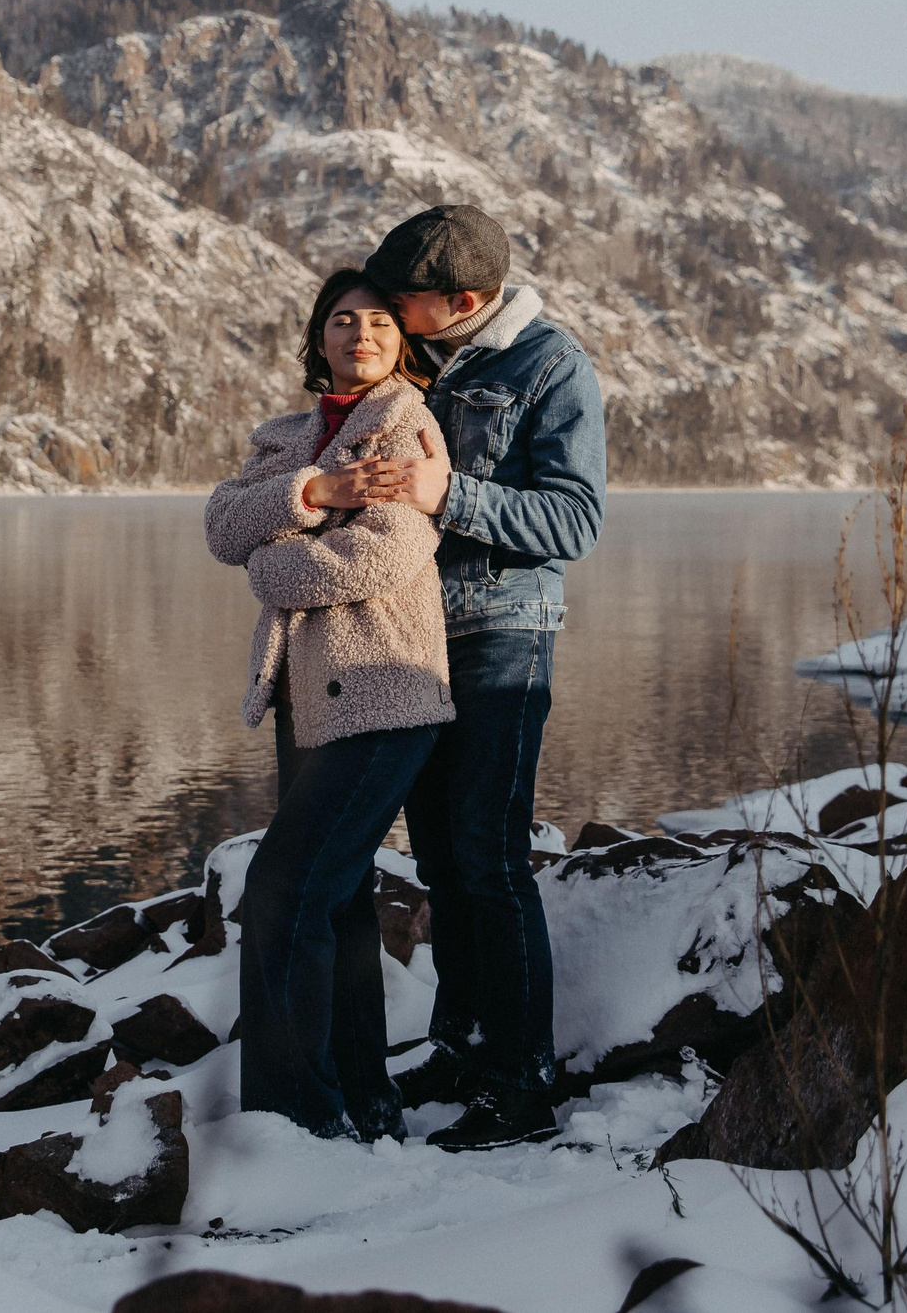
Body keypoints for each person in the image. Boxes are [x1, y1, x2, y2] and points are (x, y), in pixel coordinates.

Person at [339, 204, 607, 1151]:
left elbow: (575, 520)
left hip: (503, 633)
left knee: (490, 857)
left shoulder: (552, 365)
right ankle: (461, 1045)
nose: (386, 307)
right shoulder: (423, 360)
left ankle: (522, 1081)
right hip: (416, 634)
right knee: (442, 859)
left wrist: (448, 493)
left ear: (461, 300)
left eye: (402, 296)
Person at [204, 268, 456, 1141]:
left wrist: (273, 561)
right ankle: (363, 1101)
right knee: (339, 902)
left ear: (402, 339)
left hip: (385, 694)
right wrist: (318, 492)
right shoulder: (289, 437)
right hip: (306, 699)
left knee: (282, 891)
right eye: (343, 320)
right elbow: (223, 526)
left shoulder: (408, 424)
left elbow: (380, 556)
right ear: (320, 337)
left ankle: (290, 1120)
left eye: (380, 320)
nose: (362, 334)